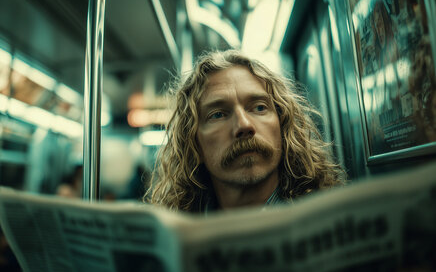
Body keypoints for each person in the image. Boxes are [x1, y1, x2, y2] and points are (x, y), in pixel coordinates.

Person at [145, 50, 345, 212]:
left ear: (282, 125)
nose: (244, 126)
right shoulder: (179, 232)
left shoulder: (332, 212)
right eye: (218, 115)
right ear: (194, 143)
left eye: (259, 107)